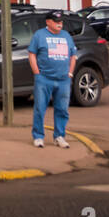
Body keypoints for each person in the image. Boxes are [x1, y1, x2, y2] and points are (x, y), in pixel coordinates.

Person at [28, 10, 77, 149]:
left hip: (63, 80)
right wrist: (37, 73)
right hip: (44, 79)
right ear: (48, 22)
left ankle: (59, 136)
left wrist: (70, 73)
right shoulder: (39, 35)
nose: (59, 24)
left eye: (61, 22)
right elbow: (32, 54)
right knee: (40, 108)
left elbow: (73, 55)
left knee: (62, 109)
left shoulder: (66, 36)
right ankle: (38, 136)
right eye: (56, 22)